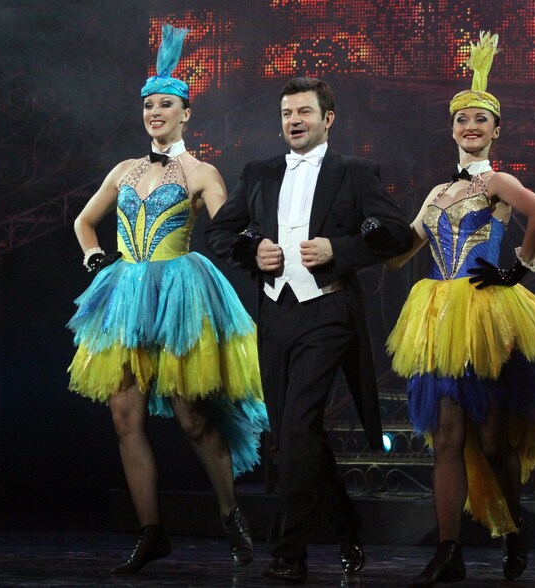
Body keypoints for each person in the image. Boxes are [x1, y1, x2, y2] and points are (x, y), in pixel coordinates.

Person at [385, 32, 535, 586]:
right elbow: (401, 254)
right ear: (451, 128)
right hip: (437, 315)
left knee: (494, 440)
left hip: (484, 314)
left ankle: (514, 534)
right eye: (462, 119)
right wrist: (368, 234)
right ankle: (448, 551)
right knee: (447, 437)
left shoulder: (498, 180)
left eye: (481, 119)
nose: (470, 126)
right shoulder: (436, 194)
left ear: (496, 130)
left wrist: (517, 270)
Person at [66, 25, 268, 574]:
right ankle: (151, 532)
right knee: (124, 415)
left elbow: (227, 226)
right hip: (124, 294)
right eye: (148, 105)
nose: (155, 112)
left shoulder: (201, 171)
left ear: (185, 113)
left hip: (179, 294)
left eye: (166, 104)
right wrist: (93, 257)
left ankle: (230, 512)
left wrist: (256, 246)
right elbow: (85, 222)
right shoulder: (124, 171)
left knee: (192, 417)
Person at [205, 76, 414, 583]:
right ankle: (346, 526)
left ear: (328, 119)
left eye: (303, 112)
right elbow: (219, 232)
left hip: (328, 312)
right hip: (276, 313)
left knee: (299, 424)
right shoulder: (259, 172)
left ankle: (289, 552)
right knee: (293, 434)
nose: (294, 121)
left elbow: (397, 234)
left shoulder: (355, 172)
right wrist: (253, 250)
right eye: (286, 113)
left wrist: (339, 249)